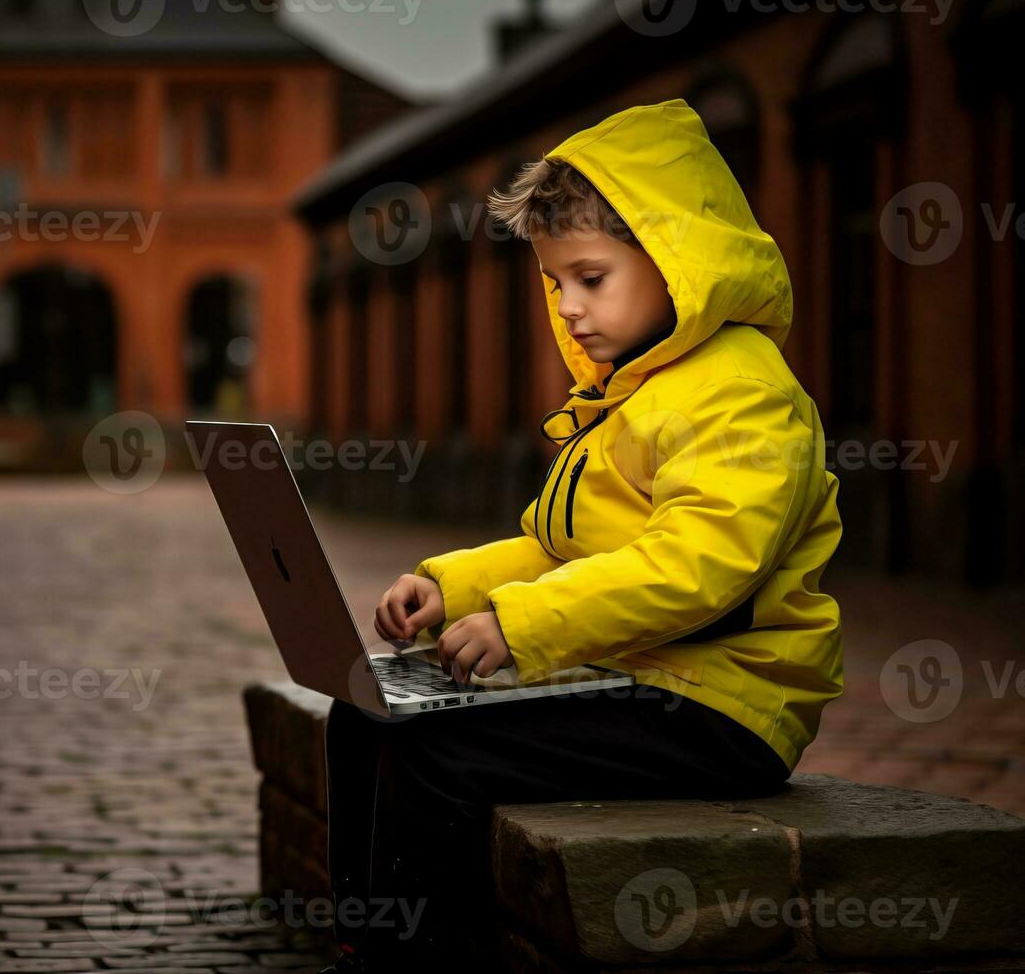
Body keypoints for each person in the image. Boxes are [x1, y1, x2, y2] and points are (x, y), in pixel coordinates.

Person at [320, 98, 844, 969]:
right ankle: (361, 941)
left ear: (677, 262)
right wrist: (450, 588)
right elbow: (556, 547)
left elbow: (695, 569)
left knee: (437, 755)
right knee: (361, 707)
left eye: (590, 278)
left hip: (722, 704)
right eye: (556, 282)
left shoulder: (742, 393)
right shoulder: (625, 392)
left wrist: (521, 626)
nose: (567, 307)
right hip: (638, 671)